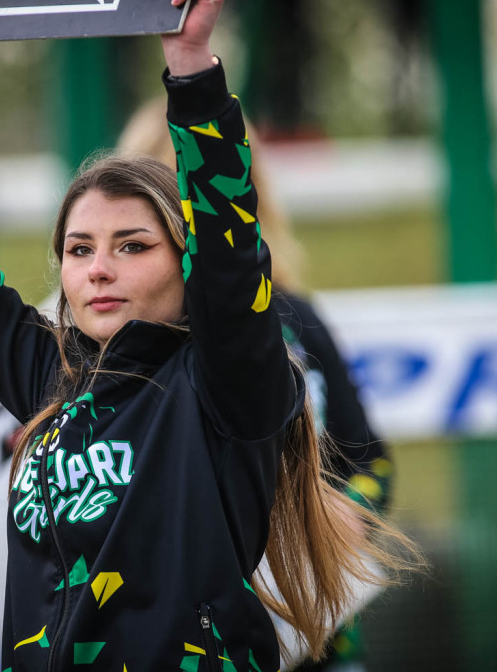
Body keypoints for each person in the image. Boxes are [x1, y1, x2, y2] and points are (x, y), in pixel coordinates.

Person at [0, 0, 415, 667]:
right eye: (80, 249)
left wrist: (192, 65)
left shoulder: (227, 382)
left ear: (186, 263)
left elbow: (232, 259)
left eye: (132, 245)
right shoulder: (46, 376)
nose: (98, 269)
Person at [118, 100, 394, 670]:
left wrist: (346, 510)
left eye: (219, 192)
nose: (201, 217)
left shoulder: (295, 318)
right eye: (176, 196)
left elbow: (375, 463)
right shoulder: (104, 346)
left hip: (313, 636)